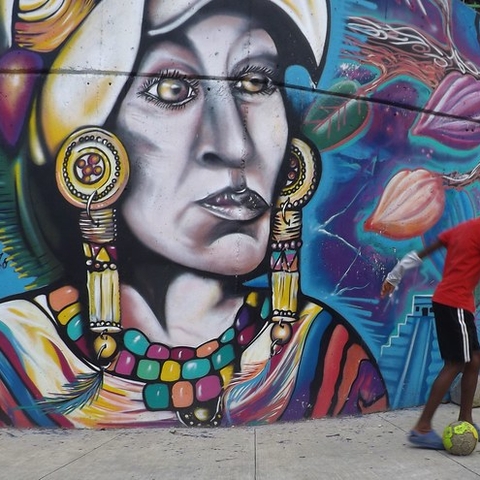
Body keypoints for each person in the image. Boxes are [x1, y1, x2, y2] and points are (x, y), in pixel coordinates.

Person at [0, 0, 387, 427]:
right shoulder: (17, 359)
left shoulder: (324, 358)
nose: (236, 146)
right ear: (92, 147)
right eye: (172, 89)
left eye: (257, 82)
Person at [381, 217, 480, 449]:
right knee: (456, 363)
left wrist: (393, 277)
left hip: (451, 302)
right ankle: (422, 427)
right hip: (455, 303)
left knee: (474, 360)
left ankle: (466, 420)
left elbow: (418, 254)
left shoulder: (461, 228)